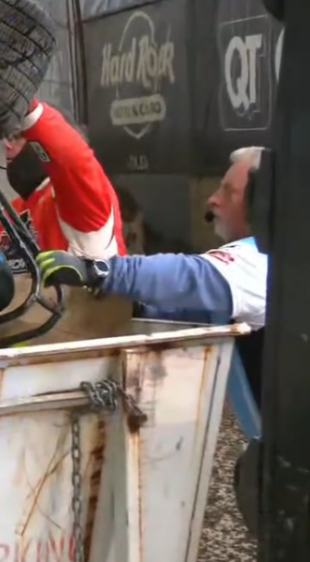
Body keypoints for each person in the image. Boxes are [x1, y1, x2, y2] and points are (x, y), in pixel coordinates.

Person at [35, 146, 268, 436]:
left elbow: (191, 277)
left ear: (263, 204)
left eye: (228, 192)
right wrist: (136, 306)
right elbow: (198, 310)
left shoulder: (264, 260)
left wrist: (101, 271)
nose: (212, 199)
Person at [0, 100, 126, 272]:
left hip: (71, 298)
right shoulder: (10, 212)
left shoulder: (82, 199)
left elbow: (73, 158)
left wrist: (22, 102)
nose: (7, 146)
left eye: (17, 136)